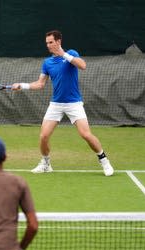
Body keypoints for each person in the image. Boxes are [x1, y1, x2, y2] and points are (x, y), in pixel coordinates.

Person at [12, 30, 114, 176]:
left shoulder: (71, 53)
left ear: (59, 41)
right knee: (43, 136)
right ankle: (46, 163)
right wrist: (22, 85)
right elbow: (40, 84)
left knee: (85, 134)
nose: (48, 45)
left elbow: (83, 65)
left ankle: (104, 161)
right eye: (47, 43)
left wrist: (63, 54)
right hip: (56, 104)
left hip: (74, 103)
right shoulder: (47, 63)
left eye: (51, 42)